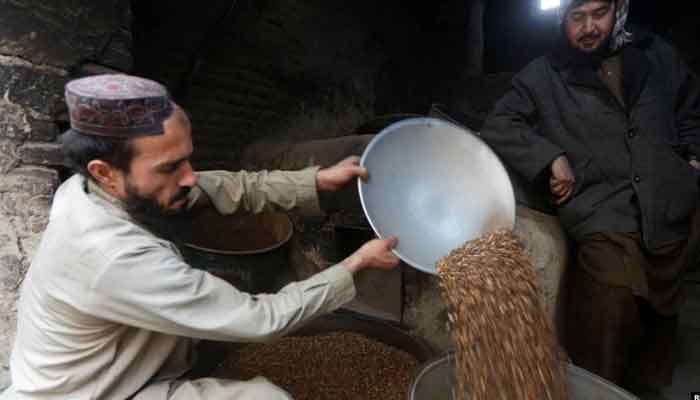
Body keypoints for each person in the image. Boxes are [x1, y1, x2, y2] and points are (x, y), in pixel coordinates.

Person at [0, 74, 400, 400]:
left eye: (188, 157)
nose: (189, 176)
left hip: (122, 365)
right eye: (171, 167)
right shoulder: (111, 255)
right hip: (95, 393)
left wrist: (316, 181)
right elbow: (261, 319)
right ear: (105, 171)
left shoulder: (91, 190)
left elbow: (221, 187)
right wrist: (355, 265)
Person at [479, 0, 700, 392]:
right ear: (561, 19)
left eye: (599, 13)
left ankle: (643, 388)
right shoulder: (544, 75)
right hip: (603, 212)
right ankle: (598, 388)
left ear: (619, 9)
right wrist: (550, 157)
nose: (588, 27)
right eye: (576, 17)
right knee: (608, 313)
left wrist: (693, 158)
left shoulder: (656, 56)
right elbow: (500, 123)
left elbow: (690, 110)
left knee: (660, 324)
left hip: (667, 208)